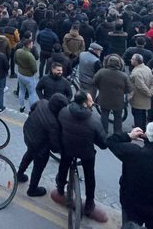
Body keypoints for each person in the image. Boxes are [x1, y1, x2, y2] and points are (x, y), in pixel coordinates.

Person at [52, 91, 109, 222]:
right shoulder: (94, 120)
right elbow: (103, 143)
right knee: (90, 176)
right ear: (84, 103)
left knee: (64, 165)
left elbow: (59, 127)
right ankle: (89, 203)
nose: (92, 102)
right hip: (86, 153)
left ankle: (60, 186)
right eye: (90, 101)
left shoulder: (64, 112)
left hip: (67, 148)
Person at [16, 93, 68, 197]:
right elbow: (55, 146)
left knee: (28, 154)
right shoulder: (54, 123)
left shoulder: (42, 102)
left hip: (28, 134)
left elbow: (32, 107)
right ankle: (32, 189)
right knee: (38, 167)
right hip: (40, 146)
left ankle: (19, 174)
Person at [93, 54, 130, 134]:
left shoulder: (101, 72)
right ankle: (117, 133)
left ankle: (103, 132)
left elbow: (94, 82)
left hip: (104, 98)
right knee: (118, 117)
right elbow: (128, 89)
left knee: (104, 114)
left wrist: (101, 88)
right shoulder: (123, 75)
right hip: (118, 100)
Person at [128, 53, 153, 131]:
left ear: (136, 61)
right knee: (143, 114)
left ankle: (138, 131)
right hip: (145, 98)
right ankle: (143, 129)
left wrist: (149, 93)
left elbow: (140, 86)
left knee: (137, 115)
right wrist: (152, 90)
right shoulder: (147, 68)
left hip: (138, 97)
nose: (131, 60)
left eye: (132, 59)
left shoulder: (136, 72)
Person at [16, 38, 38, 112]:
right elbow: (34, 69)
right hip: (29, 76)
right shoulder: (30, 55)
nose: (32, 45)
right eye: (32, 44)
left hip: (20, 73)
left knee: (21, 91)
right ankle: (31, 109)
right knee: (32, 93)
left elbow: (15, 61)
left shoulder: (18, 51)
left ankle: (21, 107)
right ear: (29, 45)